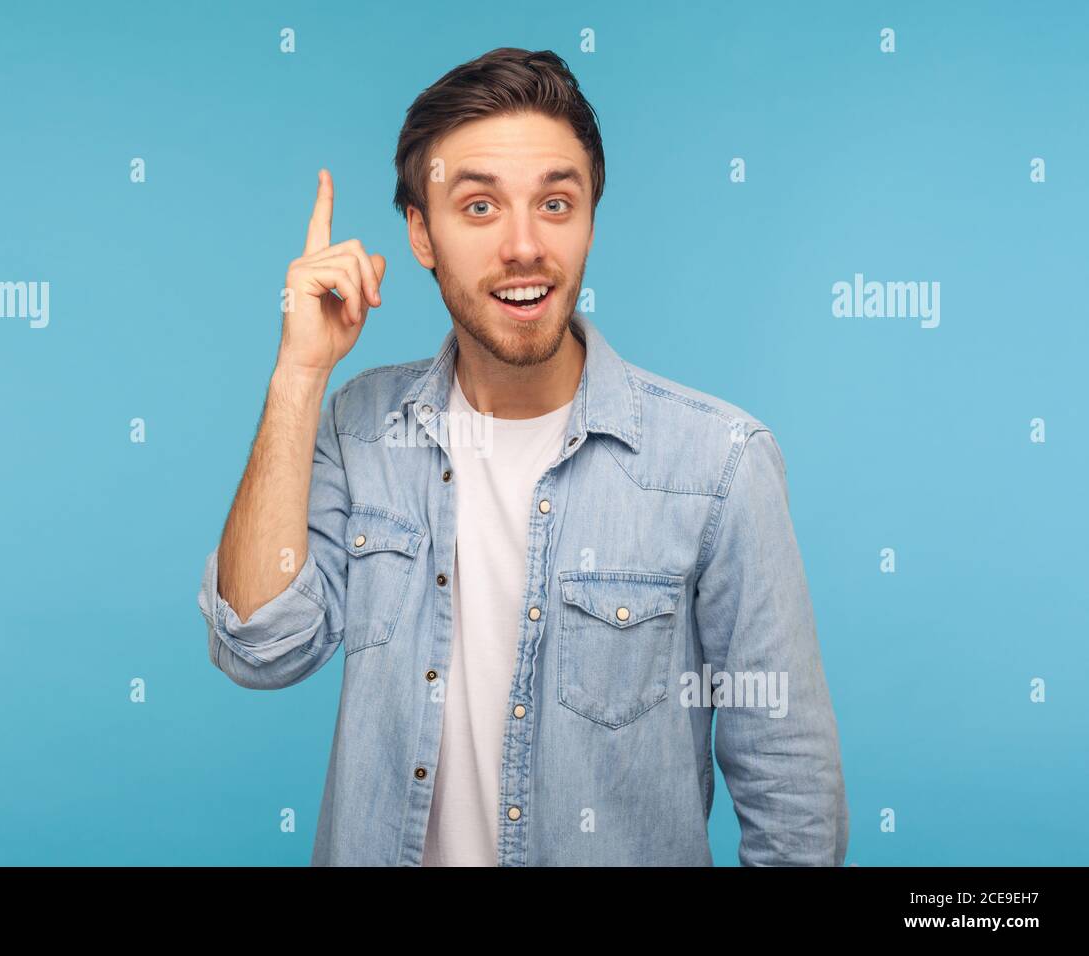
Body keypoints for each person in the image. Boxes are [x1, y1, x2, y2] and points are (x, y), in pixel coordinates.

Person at [198, 47, 849, 867]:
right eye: (477, 207)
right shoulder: (359, 429)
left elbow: (792, 796)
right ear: (420, 234)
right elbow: (258, 647)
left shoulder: (719, 465)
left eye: (555, 202)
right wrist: (299, 374)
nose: (524, 246)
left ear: (589, 219)